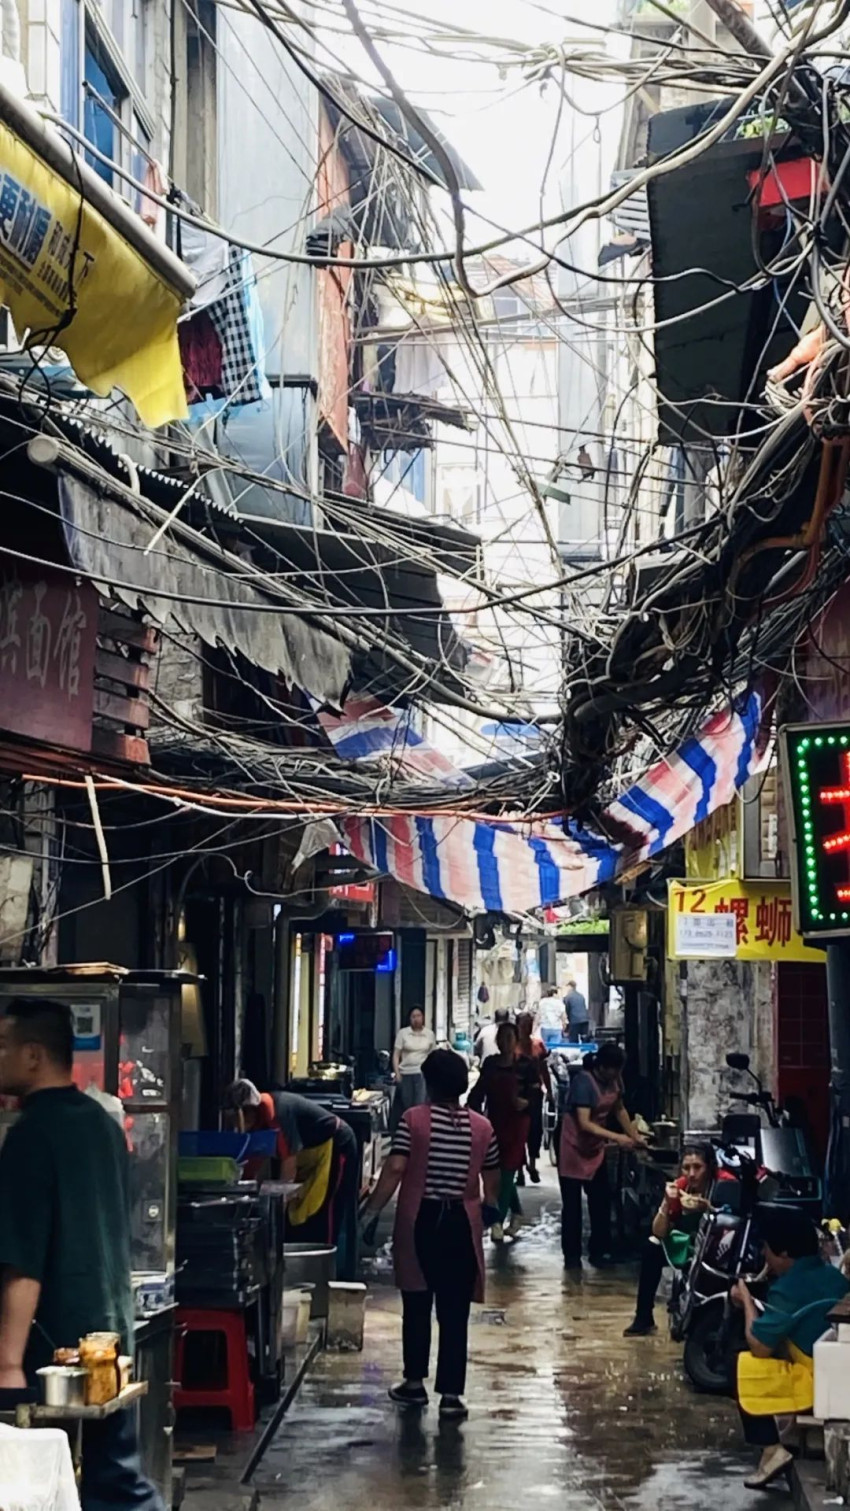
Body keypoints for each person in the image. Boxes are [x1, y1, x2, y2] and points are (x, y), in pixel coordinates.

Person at [0, 998, 165, 1511]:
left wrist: (7, 1361)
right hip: (109, 1336)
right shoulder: (101, 1123)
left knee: (57, 1485)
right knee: (111, 1479)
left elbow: (24, 1259)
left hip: (53, 1351)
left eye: (1, 1046)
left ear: (32, 1055)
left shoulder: (31, 1137)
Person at [361, 1048, 500, 1420]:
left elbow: (395, 1168)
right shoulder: (483, 1126)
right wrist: (489, 1207)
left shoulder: (414, 1120)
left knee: (417, 1303)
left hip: (422, 1219)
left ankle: (414, 1384)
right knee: (454, 1311)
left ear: (431, 1084)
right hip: (461, 1221)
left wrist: (371, 1212)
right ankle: (452, 1395)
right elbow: (492, 1174)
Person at [732, 1205, 848, 1489]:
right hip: (836, 1371)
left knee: (743, 1363)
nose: (763, 1255)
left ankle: (771, 1450)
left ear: (783, 1253)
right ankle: (794, 1431)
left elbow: (760, 1346)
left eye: (767, 1249)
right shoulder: (834, 1277)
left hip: (818, 1379)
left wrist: (746, 1301)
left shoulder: (788, 1289)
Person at [224, 1079, 360, 1280]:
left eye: (236, 1118)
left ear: (247, 1111)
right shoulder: (259, 1120)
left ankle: (332, 1276)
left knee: (328, 1212)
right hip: (310, 1155)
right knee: (305, 1213)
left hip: (337, 1145)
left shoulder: (278, 1112)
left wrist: (279, 1203)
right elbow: (255, 1157)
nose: (235, 1125)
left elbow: (289, 1165)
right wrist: (242, 1189)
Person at [624, 1142, 727, 1336]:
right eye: (686, 1168)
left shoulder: (723, 1184)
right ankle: (643, 1317)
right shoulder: (680, 1186)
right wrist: (666, 1202)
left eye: (698, 1167)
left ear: (710, 1167)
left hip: (718, 1243)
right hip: (689, 1242)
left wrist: (709, 1208)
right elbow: (658, 1232)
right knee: (650, 1247)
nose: (691, 1174)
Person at [558, 1042, 643, 1269]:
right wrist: (617, 1137)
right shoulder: (583, 1083)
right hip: (573, 1146)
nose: (616, 1074)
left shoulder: (614, 1080)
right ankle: (572, 1256)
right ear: (602, 1067)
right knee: (573, 1205)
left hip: (595, 1148)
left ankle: (600, 1251)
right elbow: (584, 1123)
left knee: (601, 1200)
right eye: (613, 1069)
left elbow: (619, 1109)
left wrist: (634, 1135)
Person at [468, 1021, 535, 1241]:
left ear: (517, 1040)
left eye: (510, 1037)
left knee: (507, 1171)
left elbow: (537, 1095)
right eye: (502, 1038)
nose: (506, 1042)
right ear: (497, 1041)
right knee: (497, 1169)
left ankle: (496, 1219)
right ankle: (516, 1213)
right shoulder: (490, 1064)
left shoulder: (526, 1064)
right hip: (495, 1122)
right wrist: (471, 1112)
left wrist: (526, 1103)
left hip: (518, 1124)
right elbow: (480, 1091)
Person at [515, 1011, 552, 1185]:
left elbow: (544, 1070)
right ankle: (519, 1170)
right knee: (517, 1132)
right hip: (517, 1093)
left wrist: (550, 1091)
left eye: (530, 1023)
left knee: (534, 1130)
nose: (527, 1027)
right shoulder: (513, 1047)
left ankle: (532, 1164)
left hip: (535, 1093)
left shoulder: (538, 1045)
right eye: (524, 1023)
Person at [391, 1008, 436, 1132]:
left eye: (419, 1015)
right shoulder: (403, 1033)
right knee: (406, 1106)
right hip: (406, 1073)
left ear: (423, 1017)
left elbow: (433, 1055)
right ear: (409, 1019)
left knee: (420, 1105)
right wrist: (397, 1073)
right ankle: (407, 1132)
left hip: (422, 1074)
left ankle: (418, 1132)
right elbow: (396, 1055)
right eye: (413, 1016)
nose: (416, 1019)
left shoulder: (429, 1034)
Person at [563, 976, 591, 1042]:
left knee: (573, 1039)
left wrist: (567, 1023)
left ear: (570, 987)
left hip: (574, 1020)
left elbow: (567, 1010)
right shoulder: (581, 996)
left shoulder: (568, 997)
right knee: (584, 1038)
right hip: (585, 1019)